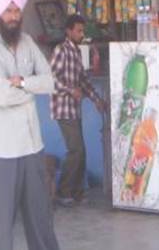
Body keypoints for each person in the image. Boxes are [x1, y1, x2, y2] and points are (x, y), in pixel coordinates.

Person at [0, 0, 60, 250]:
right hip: (2, 151)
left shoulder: (27, 42)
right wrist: (31, 89)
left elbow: (50, 81)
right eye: (9, 11)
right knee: (3, 228)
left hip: (32, 146)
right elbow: (1, 95)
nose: (14, 16)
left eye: (17, 10)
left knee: (41, 222)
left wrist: (22, 83)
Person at [50, 14, 107, 207]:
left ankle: (76, 192)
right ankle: (64, 191)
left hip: (74, 109)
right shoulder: (61, 50)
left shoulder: (76, 52)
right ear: (69, 31)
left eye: (82, 31)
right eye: (79, 30)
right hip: (63, 109)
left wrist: (96, 100)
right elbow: (51, 79)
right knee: (76, 150)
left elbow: (83, 80)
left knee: (80, 151)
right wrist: (70, 90)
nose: (82, 34)